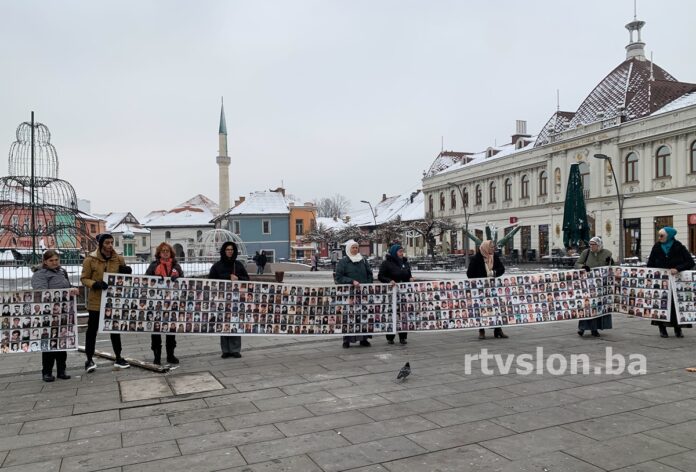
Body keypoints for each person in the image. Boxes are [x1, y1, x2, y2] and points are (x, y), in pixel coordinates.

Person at [81, 233, 132, 372]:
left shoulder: (118, 259)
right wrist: (95, 284)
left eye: (111, 243)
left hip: (113, 300)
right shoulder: (90, 259)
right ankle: (89, 359)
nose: (110, 246)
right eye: (107, 243)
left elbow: (123, 279)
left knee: (114, 329)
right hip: (96, 301)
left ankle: (119, 357)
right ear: (101, 244)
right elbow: (84, 278)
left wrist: (126, 272)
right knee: (92, 330)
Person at [31, 250, 79, 382]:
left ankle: (61, 370)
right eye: (51, 260)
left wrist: (73, 289)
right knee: (49, 343)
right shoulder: (39, 274)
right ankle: (46, 371)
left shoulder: (62, 271)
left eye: (56, 260)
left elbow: (67, 287)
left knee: (62, 342)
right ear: (45, 261)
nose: (54, 262)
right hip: (49, 314)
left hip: (63, 312)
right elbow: (41, 292)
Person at [648, 227, 695, 338]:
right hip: (661, 282)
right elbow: (650, 263)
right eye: (658, 235)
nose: (659, 238)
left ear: (669, 236)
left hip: (676, 281)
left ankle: (677, 329)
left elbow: (690, 262)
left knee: (675, 305)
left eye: (662, 236)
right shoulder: (656, 247)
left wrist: (678, 268)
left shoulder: (679, 246)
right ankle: (662, 329)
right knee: (661, 304)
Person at [209, 241, 249, 358]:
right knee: (223, 323)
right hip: (222, 300)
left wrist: (238, 278)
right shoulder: (217, 266)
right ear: (223, 251)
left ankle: (235, 349)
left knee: (235, 322)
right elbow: (211, 281)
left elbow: (247, 279)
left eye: (231, 249)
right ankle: (225, 350)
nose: (230, 251)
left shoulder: (238, 265)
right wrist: (227, 278)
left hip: (236, 300)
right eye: (227, 249)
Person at [146, 242, 183, 365]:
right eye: (163, 251)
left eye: (167, 251)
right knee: (156, 331)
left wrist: (177, 278)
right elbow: (146, 281)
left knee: (171, 331)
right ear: (159, 253)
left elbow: (183, 281)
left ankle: (170, 355)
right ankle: (157, 356)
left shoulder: (176, 266)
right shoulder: (153, 266)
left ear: (171, 252)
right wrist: (155, 280)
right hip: (157, 303)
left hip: (172, 303)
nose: (165, 253)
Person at [335, 239, 373, 348]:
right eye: (353, 247)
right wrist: (351, 281)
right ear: (348, 249)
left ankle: (363, 339)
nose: (355, 249)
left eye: (356, 247)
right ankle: (347, 340)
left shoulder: (363, 260)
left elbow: (369, 274)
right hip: (349, 293)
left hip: (362, 293)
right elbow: (339, 277)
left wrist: (367, 284)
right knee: (349, 316)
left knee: (363, 315)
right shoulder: (343, 262)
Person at [467, 240, 507, 339]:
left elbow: (502, 269)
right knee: (482, 309)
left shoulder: (494, 257)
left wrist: (493, 273)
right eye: (492, 247)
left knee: (495, 308)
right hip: (480, 289)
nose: (494, 249)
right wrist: (482, 278)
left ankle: (498, 330)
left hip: (492, 287)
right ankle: (482, 330)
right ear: (486, 247)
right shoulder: (476, 258)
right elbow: (470, 274)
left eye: (494, 247)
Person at [575, 236, 614, 337]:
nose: (591, 246)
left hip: (601, 285)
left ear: (599, 245)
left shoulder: (607, 253)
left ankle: (595, 329)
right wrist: (583, 267)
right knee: (587, 306)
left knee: (598, 307)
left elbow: (611, 267)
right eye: (590, 244)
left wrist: (611, 261)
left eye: (593, 245)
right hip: (589, 284)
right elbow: (577, 263)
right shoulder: (586, 253)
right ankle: (582, 328)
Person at [378, 243, 413, 345]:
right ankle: (390, 337)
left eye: (402, 251)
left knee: (403, 314)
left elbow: (408, 274)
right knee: (392, 314)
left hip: (403, 293)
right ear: (394, 252)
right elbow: (380, 276)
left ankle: (403, 337)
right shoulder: (386, 263)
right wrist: (389, 281)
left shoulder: (405, 262)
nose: (402, 253)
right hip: (391, 293)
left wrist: (410, 278)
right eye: (400, 251)